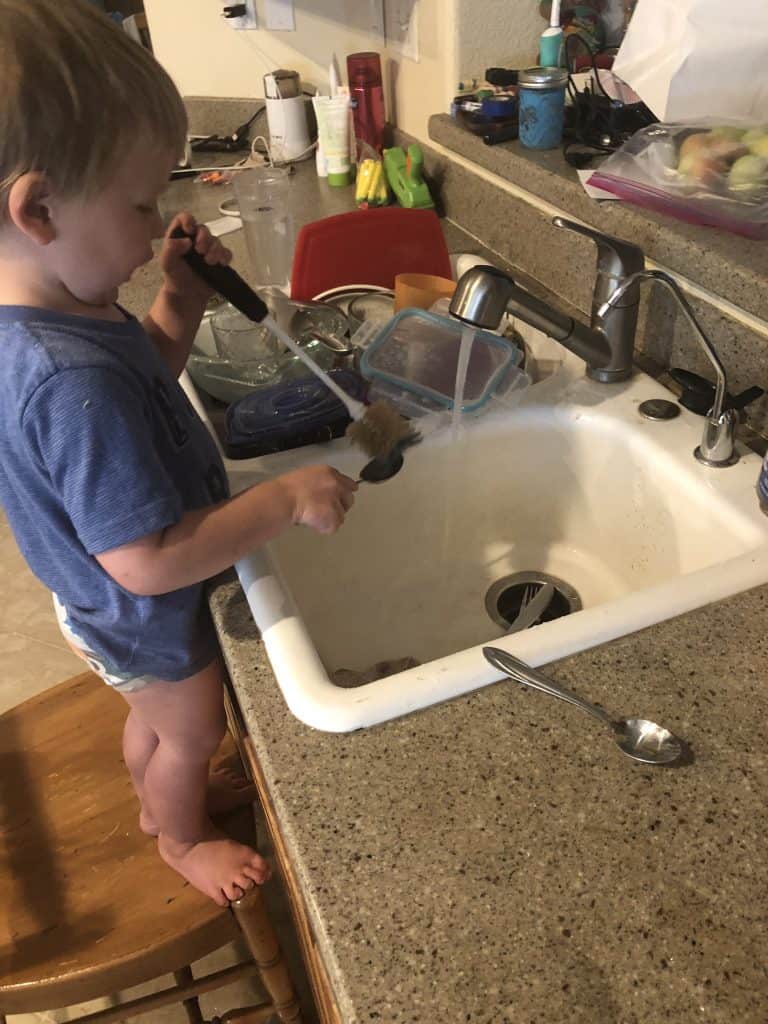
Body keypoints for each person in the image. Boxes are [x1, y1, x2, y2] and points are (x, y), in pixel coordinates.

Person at [0, 0, 357, 907]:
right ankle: (183, 839)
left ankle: (159, 798)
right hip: (133, 611)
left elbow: (147, 387)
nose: (156, 219)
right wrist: (278, 503)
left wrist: (179, 307)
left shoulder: (59, 311)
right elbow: (149, 561)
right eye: (139, 203)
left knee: (154, 725)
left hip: (95, 607)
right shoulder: (64, 379)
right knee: (193, 729)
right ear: (39, 207)